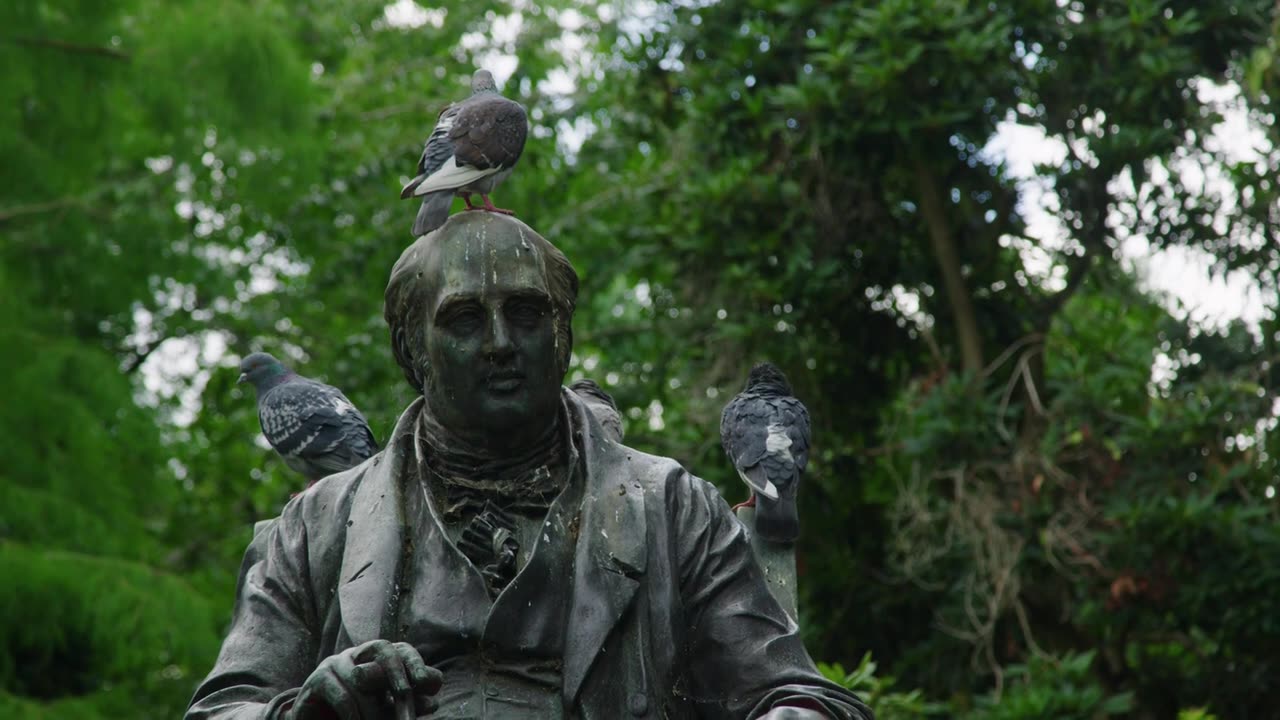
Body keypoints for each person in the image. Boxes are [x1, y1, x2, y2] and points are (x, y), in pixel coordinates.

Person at [187, 212, 872, 719]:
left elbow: (793, 693)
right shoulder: (318, 524)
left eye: (526, 314)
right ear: (410, 350)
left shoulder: (669, 505)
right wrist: (301, 714)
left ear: (564, 336)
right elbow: (223, 709)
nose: (500, 343)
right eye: (463, 320)